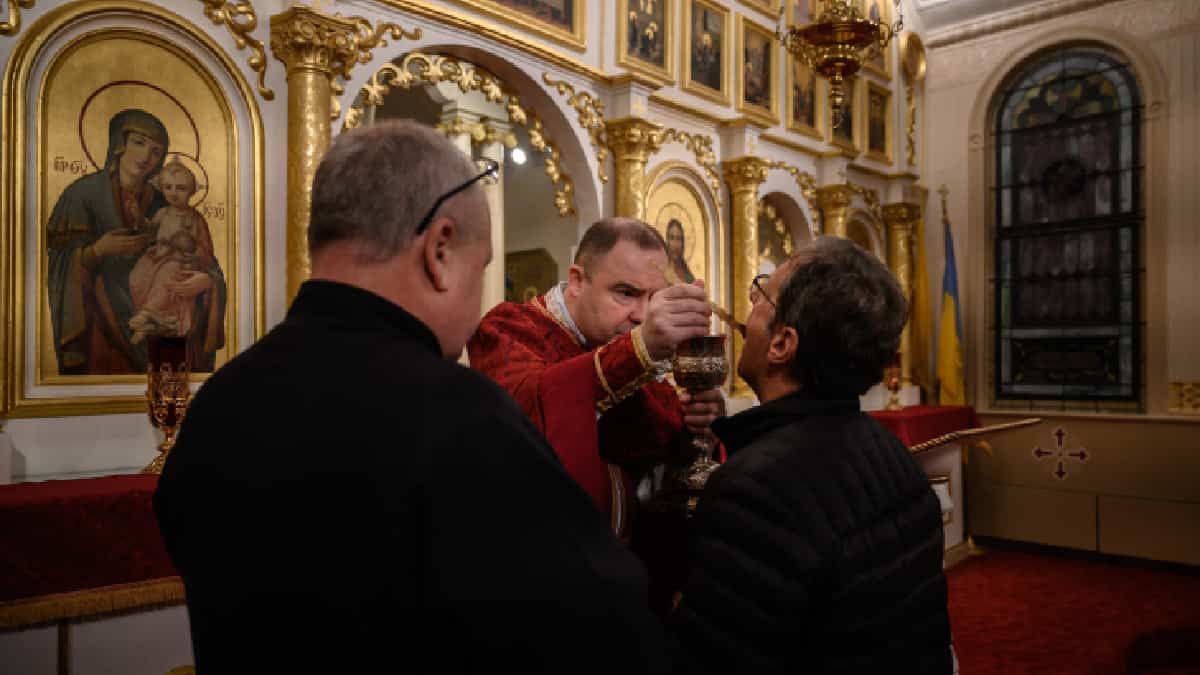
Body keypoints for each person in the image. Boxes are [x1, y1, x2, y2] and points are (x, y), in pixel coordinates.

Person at [154, 121, 667, 673]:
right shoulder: (463, 418)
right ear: (439, 249)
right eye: (483, 267)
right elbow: (601, 628)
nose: (479, 302)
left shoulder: (216, 404)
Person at [671, 236, 953, 673]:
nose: (749, 300)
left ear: (782, 343)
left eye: (762, 292)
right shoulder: (895, 457)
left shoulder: (754, 489)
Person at [468, 218, 724, 537]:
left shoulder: (634, 355)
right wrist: (639, 347)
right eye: (626, 293)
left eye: (653, 298)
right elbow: (529, 414)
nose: (641, 316)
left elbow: (663, 454)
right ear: (576, 281)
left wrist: (701, 427)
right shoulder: (508, 329)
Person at [46, 108, 226, 374]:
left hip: (164, 321)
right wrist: (96, 251)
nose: (145, 157)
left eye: (155, 151)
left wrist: (207, 282)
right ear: (120, 144)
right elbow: (58, 261)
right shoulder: (82, 195)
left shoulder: (166, 201)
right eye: (138, 143)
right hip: (104, 324)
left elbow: (207, 260)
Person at [128, 160, 217, 345]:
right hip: (156, 257)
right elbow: (149, 230)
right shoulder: (162, 213)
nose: (173, 193)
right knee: (136, 277)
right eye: (168, 187)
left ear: (191, 192)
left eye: (181, 188)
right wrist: (138, 216)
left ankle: (147, 314)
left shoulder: (195, 219)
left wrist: (194, 254)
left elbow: (205, 248)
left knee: (168, 277)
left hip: (178, 262)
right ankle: (150, 323)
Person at [665, 219, 695, 284]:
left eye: (678, 239)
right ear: (667, 241)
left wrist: (676, 281)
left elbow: (693, 292)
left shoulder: (688, 275)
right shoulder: (661, 269)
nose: (675, 244)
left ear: (682, 243)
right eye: (672, 238)